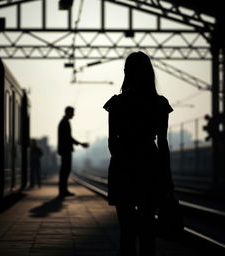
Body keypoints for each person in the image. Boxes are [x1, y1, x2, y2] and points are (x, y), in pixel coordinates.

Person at [103, 51, 174, 256]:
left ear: (126, 73)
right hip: (150, 168)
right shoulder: (159, 104)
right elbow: (163, 143)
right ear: (149, 72)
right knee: (147, 233)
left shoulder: (116, 104)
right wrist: (167, 179)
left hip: (122, 169)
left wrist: (124, 160)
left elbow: (111, 143)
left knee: (126, 232)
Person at [57, 106, 89, 198]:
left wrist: (79, 143)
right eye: (72, 113)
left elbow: (68, 137)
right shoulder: (65, 123)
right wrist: (80, 143)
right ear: (67, 112)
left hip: (64, 150)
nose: (73, 115)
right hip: (65, 150)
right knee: (65, 170)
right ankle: (63, 191)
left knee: (65, 170)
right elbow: (68, 137)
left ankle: (63, 190)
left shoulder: (64, 122)